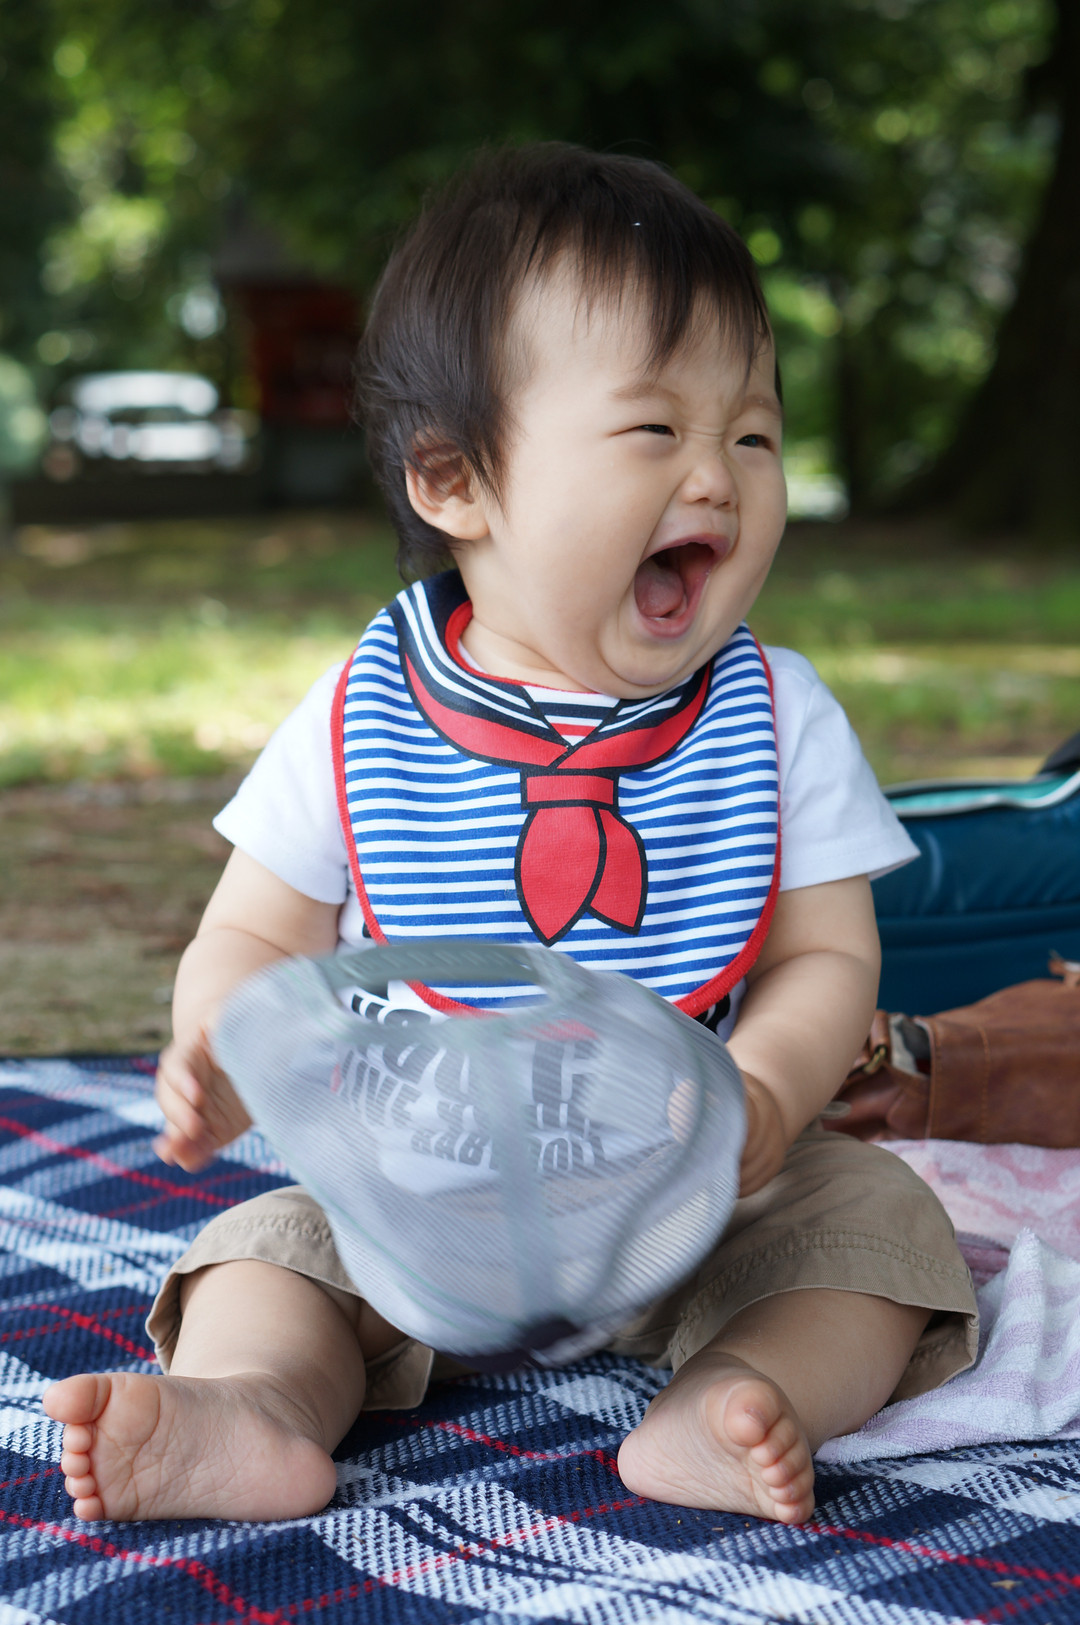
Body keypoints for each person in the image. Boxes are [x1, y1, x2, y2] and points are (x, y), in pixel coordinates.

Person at [43, 144, 977, 1526]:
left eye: (754, 434)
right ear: (454, 479)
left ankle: (741, 1395)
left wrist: (770, 1092)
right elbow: (252, 932)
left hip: (697, 1195)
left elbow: (825, 956)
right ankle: (253, 1407)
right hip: (416, 1196)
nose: (718, 477)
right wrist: (224, 1043)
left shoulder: (774, 718)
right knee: (269, 1251)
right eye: (654, 429)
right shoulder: (366, 712)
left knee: (881, 1227)